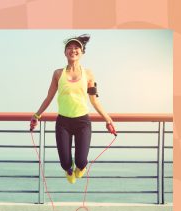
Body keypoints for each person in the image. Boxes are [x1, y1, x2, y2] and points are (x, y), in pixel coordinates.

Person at [30, 34, 117, 184]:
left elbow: (94, 100)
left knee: (81, 161)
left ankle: (81, 167)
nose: (73, 50)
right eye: (69, 48)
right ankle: (69, 170)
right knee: (65, 162)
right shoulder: (58, 73)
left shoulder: (88, 74)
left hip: (82, 122)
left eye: (76, 48)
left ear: (82, 52)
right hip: (63, 122)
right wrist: (36, 116)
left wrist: (108, 120)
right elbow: (49, 97)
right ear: (65, 53)